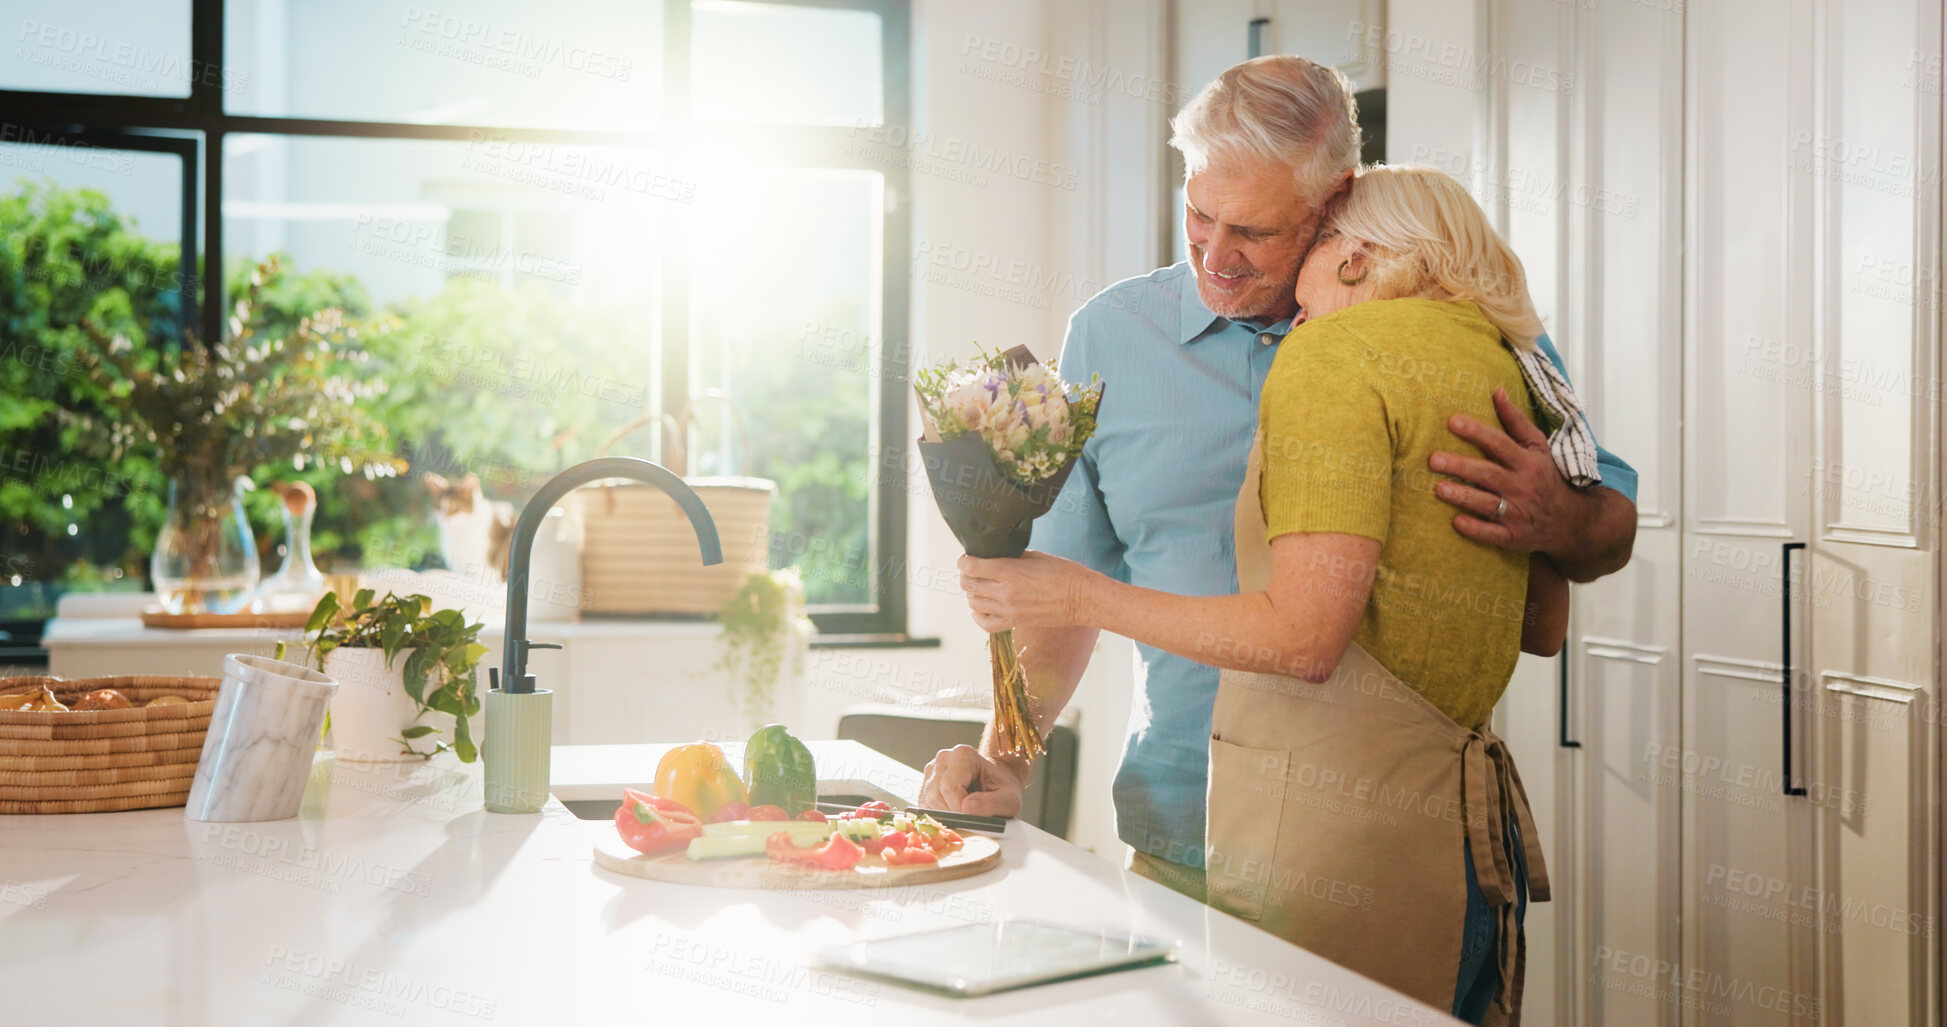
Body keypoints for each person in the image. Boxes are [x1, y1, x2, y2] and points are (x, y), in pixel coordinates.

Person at [918, 52, 1636, 1012]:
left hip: (1378, 842)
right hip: (1177, 834)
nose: (1215, 255)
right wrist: (1003, 757)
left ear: (1336, 204)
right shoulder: (1111, 336)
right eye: (1197, 214)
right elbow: (1068, 593)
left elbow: (1609, 526)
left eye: (1252, 231)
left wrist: (1563, 513)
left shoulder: (1460, 320)